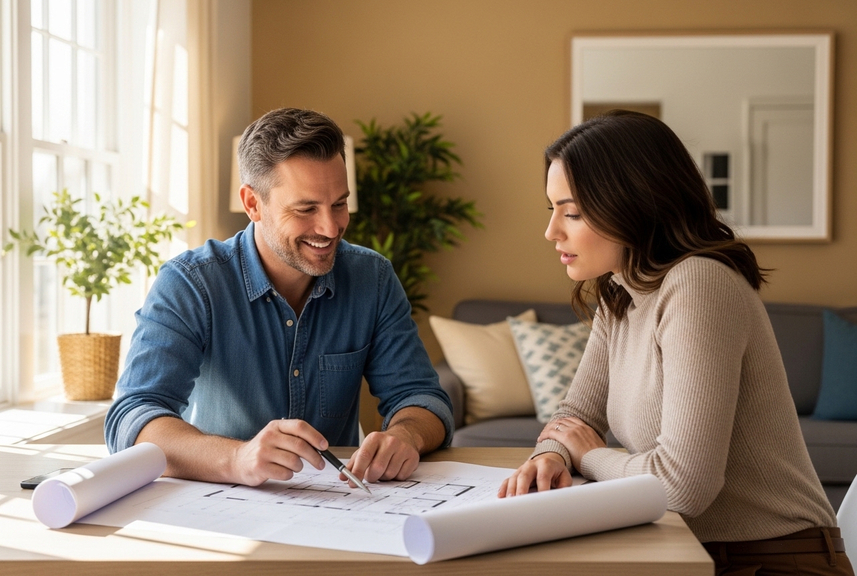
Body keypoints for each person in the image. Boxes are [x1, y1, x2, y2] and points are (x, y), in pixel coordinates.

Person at [498, 110, 853, 575]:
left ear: (635, 203)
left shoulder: (700, 284)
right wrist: (552, 453)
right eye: (553, 210)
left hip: (774, 560)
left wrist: (591, 455)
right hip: (687, 550)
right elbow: (575, 415)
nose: (552, 232)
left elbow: (684, 486)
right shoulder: (622, 293)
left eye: (574, 212)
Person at [105, 107, 454, 488]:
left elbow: (422, 398)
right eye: (306, 209)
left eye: (339, 203)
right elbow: (133, 416)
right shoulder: (190, 283)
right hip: (216, 506)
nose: (330, 226)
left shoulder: (373, 278)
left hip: (340, 510)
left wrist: (406, 436)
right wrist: (236, 459)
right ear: (253, 204)